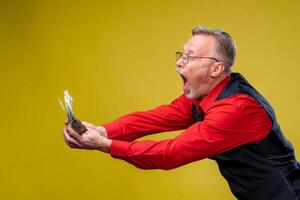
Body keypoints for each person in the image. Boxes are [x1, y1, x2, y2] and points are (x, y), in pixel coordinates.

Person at [62, 25, 300, 199]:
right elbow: (157, 117)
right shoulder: (204, 95)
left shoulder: (237, 109)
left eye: (190, 57)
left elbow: (170, 153)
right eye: (181, 55)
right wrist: (104, 130)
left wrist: (105, 144)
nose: (179, 62)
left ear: (216, 68)